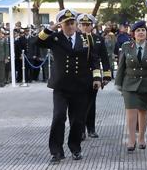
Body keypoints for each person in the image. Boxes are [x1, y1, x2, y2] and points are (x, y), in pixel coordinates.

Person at [35, 9, 102, 164]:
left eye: (72, 23)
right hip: (61, 86)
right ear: (61, 24)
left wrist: (97, 77)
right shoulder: (55, 38)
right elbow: (37, 42)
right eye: (67, 23)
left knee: (78, 120)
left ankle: (75, 148)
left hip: (80, 86)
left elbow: (93, 59)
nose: (70, 26)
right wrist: (50, 28)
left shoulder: (86, 39)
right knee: (58, 116)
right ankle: (56, 151)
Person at [115, 21, 147, 152]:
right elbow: (121, 66)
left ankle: (141, 137)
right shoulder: (126, 46)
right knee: (130, 111)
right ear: (133, 34)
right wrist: (118, 83)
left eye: (143, 30)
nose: (141, 33)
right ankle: (131, 139)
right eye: (138, 31)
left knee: (143, 111)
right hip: (129, 83)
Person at [77, 13, 111, 140]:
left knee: (91, 103)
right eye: (83, 25)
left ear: (92, 26)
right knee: (79, 104)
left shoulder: (98, 39)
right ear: (79, 25)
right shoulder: (76, 38)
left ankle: (91, 128)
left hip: (94, 75)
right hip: (78, 76)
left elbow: (104, 58)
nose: (85, 27)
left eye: (88, 25)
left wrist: (106, 76)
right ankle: (80, 130)